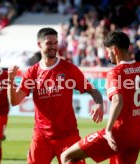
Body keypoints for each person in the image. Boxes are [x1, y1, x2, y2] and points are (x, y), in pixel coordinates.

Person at [60, 31, 140, 164]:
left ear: (114, 50)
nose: (108, 55)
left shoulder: (115, 73)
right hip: (137, 137)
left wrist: (108, 130)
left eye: (108, 51)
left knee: (67, 156)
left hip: (118, 133)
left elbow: (117, 100)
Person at [7, 27, 104, 163]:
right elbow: (15, 101)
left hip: (67, 136)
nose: (53, 47)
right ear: (39, 45)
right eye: (49, 43)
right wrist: (10, 81)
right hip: (41, 137)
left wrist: (99, 103)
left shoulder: (68, 69)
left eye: (55, 43)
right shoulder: (32, 73)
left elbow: (93, 90)